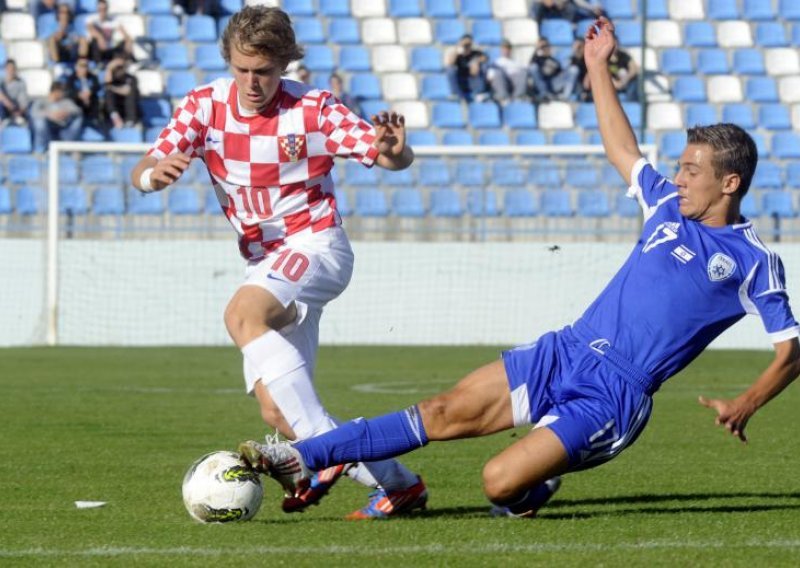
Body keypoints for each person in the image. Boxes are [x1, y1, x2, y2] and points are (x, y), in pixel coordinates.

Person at [239, 17, 800, 520]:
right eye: (678, 166)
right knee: (439, 411)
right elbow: (620, 146)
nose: (678, 178)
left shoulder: (753, 261)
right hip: (568, 349)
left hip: (615, 394)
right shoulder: (665, 208)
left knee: (498, 483)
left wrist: (745, 403)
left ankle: (536, 482)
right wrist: (595, 66)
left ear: (729, 183)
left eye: (692, 171)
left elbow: (791, 350)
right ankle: (293, 453)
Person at [129, 6, 426, 520]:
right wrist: (152, 177)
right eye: (242, 69)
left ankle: (318, 452)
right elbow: (145, 164)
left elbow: (384, 154)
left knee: (242, 315)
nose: (251, 82)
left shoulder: (314, 109)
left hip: (316, 245)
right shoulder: (204, 107)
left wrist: (398, 151)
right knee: (278, 411)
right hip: (265, 264)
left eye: (263, 72)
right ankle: (400, 486)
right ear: (229, 60)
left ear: (285, 64)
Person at [30, 81, 84, 153]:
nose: (63, 94)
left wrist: (66, 113)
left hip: (63, 128)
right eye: (61, 91)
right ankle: (42, 148)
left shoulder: (66, 101)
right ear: (55, 91)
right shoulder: (42, 101)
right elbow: (33, 112)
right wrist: (49, 115)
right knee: (39, 122)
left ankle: (68, 146)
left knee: (78, 119)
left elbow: (78, 110)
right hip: (48, 128)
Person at [81, 0, 133, 65]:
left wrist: (128, 40)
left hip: (108, 49)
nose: (102, 11)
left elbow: (125, 34)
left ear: (107, 9)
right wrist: (100, 37)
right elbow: (90, 28)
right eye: (100, 9)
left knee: (125, 43)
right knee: (94, 40)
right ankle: (97, 63)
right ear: (97, 9)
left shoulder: (113, 21)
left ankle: (128, 61)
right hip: (96, 50)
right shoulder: (91, 19)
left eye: (104, 9)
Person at [528, 38, 579, 102]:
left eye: (547, 46)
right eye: (543, 47)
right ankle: (544, 95)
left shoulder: (554, 60)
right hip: (542, 85)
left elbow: (560, 72)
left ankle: (565, 96)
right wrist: (536, 50)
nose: (546, 48)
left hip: (553, 84)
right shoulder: (537, 60)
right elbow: (531, 67)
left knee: (573, 69)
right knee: (533, 67)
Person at [445, 34, 489, 103]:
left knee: (484, 66)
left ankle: (480, 93)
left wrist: (476, 61)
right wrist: (458, 49)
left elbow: (485, 58)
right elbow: (450, 63)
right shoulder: (457, 54)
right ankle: (456, 94)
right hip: (461, 81)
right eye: (465, 45)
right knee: (450, 70)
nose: (467, 46)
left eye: (469, 45)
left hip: (472, 80)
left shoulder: (475, 53)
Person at [487, 39, 529, 103]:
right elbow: (490, 78)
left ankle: (518, 97)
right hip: (503, 83)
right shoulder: (496, 62)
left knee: (523, 72)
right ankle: (503, 97)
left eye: (508, 48)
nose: (506, 50)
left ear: (510, 50)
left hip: (514, 84)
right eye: (504, 48)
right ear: (501, 50)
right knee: (498, 73)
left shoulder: (516, 62)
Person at [104, 56, 140, 128]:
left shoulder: (131, 78)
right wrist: (109, 68)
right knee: (108, 92)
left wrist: (113, 88)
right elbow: (107, 86)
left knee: (131, 95)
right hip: (115, 108)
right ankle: (114, 116)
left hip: (129, 108)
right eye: (117, 68)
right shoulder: (111, 79)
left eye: (121, 67)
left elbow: (126, 91)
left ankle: (131, 120)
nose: (119, 70)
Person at [65, 56, 102, 126]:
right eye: (82, 65)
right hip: (78, 100)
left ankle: (94, 120)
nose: (84, 68)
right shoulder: (71, 78)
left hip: (90, 99)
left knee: (95, 98)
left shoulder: (93, 77)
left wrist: (89, 92)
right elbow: (69, 90)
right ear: (76, 66)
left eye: (86, 66)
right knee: (72, 99)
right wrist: (79, 94)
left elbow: (97, 87)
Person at [47, 3, 83, 71]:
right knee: (52, 40)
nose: (65, 15)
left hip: (72, 51)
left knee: (82, 40)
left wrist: (73, 42)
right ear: (58, 14)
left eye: (67, 12)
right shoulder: (53, 26)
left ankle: (82, 65)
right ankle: (57, 65)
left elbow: (77, 39)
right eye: (62, 12)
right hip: (60, 52)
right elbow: (49, 41)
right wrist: (60, 35)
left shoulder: (73, 27)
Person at [0, 60, 30, 126]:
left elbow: (23, 102)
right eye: (9, 69)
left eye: (13, 69)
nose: (11, 71)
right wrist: (10, 105)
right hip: (4, 109)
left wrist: (18, 111)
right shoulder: (1, 81)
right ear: (5, 69)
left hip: (16, 110)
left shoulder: (20, 83)